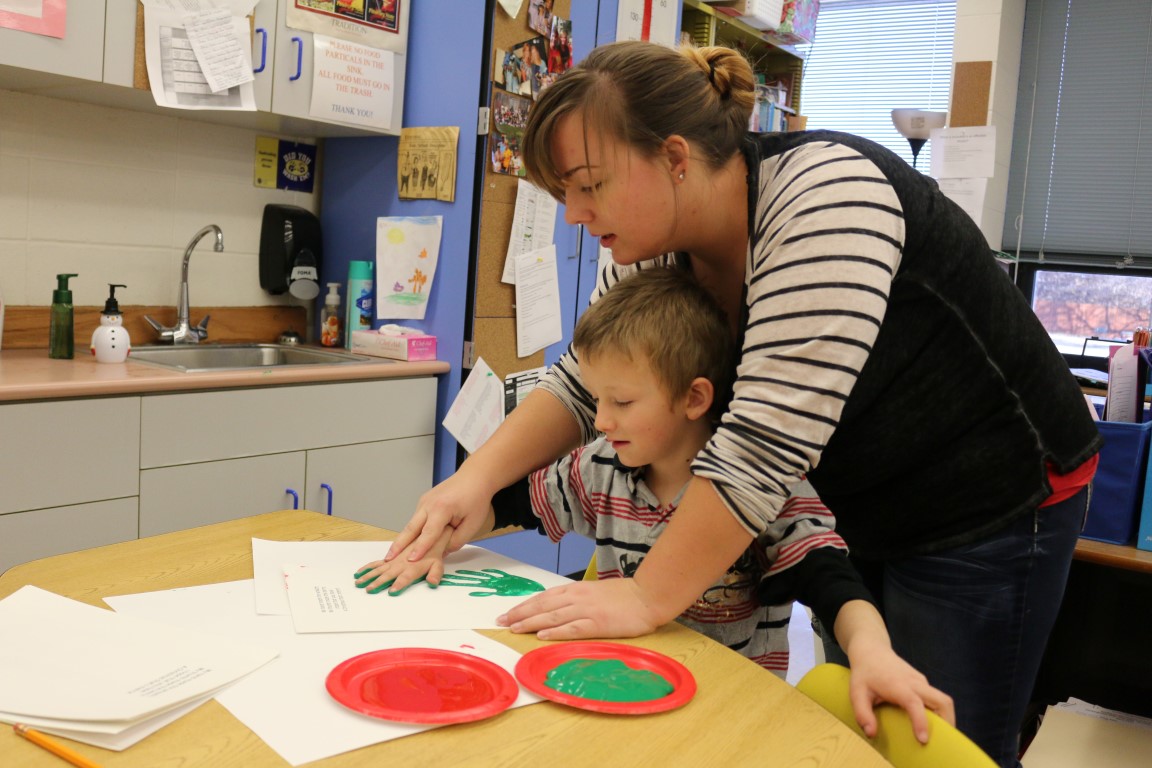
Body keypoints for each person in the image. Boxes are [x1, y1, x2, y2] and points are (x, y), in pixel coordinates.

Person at [370, 41, 1101, 767]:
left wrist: (646, 597)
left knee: (936, 739)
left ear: (675, 158)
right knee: (863, 725)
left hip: (985, 495)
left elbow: (760, 449)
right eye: (564, 192)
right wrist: (475, 481)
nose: (573, 214)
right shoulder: (653, 243)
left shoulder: (826, 197)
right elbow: (581, 382)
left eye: (589, 184)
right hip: (857, 491)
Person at [360, 268, 937, 696]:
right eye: (596, 400)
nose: (601, 421)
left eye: (622, 402)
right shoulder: (601, 467)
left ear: (694, 398)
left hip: (726, 712)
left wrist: (871, 650)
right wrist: (444, 532)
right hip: (619, 689)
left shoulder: (762, 488)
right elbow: (512, 505)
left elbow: (835, 583)